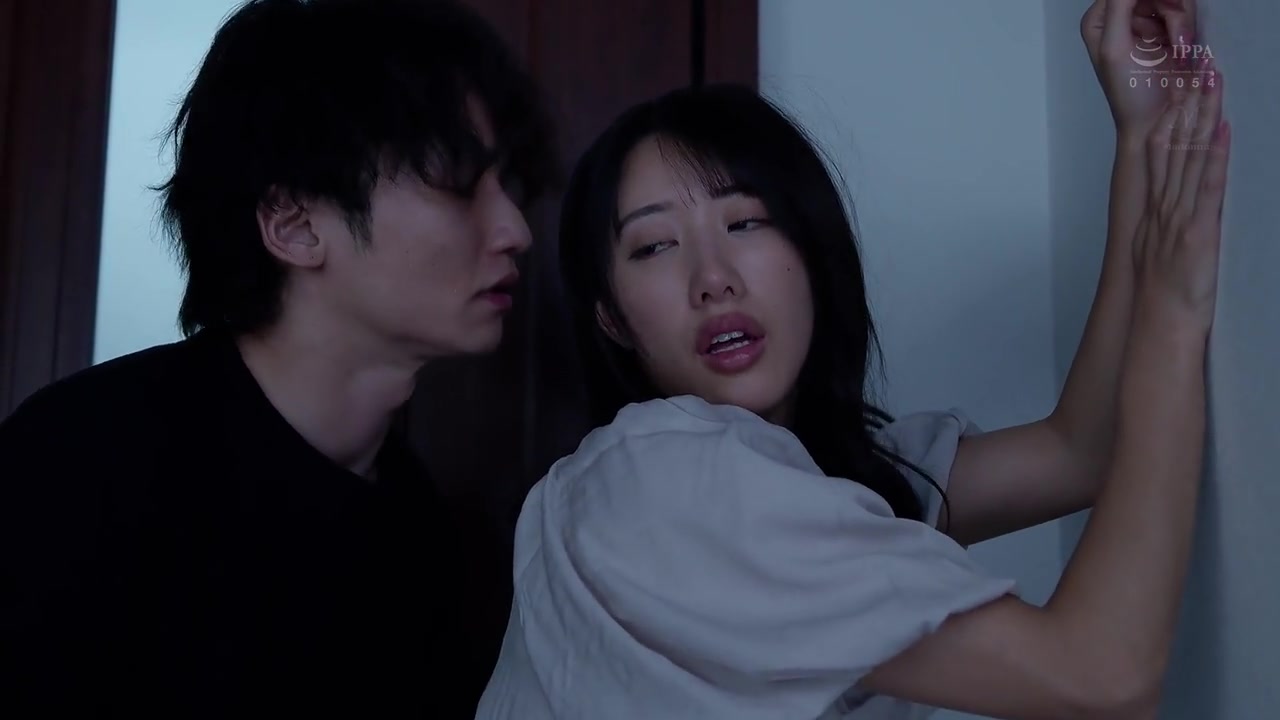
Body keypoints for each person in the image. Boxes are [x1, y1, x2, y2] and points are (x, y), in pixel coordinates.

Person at [477, 1, 1230, 718]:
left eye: (744, 222)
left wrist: (1142, 132)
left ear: (811, 247)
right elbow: (1101, 679)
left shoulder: (816, 481)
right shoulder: (662, 483)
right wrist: (1175, 306)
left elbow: (1082, 453)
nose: (712, 278)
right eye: (654, 246)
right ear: (612, 318)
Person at [0, 0, 554, 716]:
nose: (514, 229)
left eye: (508, 187)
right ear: (294, 226)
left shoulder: (424, 538)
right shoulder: (80, 460)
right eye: (459, 184)